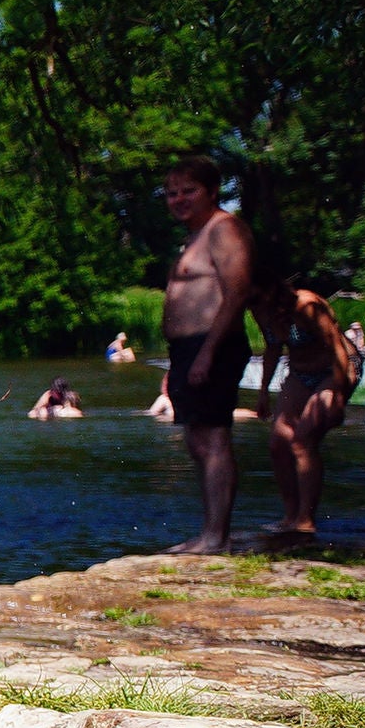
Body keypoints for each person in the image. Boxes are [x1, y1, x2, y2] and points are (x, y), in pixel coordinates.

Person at [155, 155, 257, 554]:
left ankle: (216, 537)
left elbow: (237, 293)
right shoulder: (195, 236)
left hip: (211, 345)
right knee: (198, 440)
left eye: (188, 191)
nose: (178, 199)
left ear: (213, 191)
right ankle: (209, 532)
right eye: (171, 193)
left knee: (213, 438)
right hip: (187, 349)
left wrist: (207, 354)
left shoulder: (224, 229)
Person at [255, 275, 359, 535]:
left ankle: (306, 520)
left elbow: (337, 346)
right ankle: (290, 516)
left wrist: (338, 392)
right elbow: (272, 349)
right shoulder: (258, 308)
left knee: (303, 441)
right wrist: (263, 391)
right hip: (300, 373)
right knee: (278, 443)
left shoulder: (307, 305)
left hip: (337, 370)